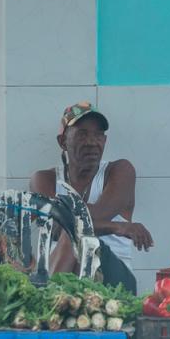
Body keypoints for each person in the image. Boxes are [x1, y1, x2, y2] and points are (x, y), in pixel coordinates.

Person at [30, 101, 152, 293]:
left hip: (115, 285)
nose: (92, 142)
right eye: (82, 134)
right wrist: (118, 227)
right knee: (73, 233)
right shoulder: (44, 179)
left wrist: (66, 221)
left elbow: (78, 223)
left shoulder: (119, 171)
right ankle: (53, 303)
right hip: (63, 277)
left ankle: (44, 302)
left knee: (74, 235)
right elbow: (66, 224)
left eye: (98, 135)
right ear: (63, 142)